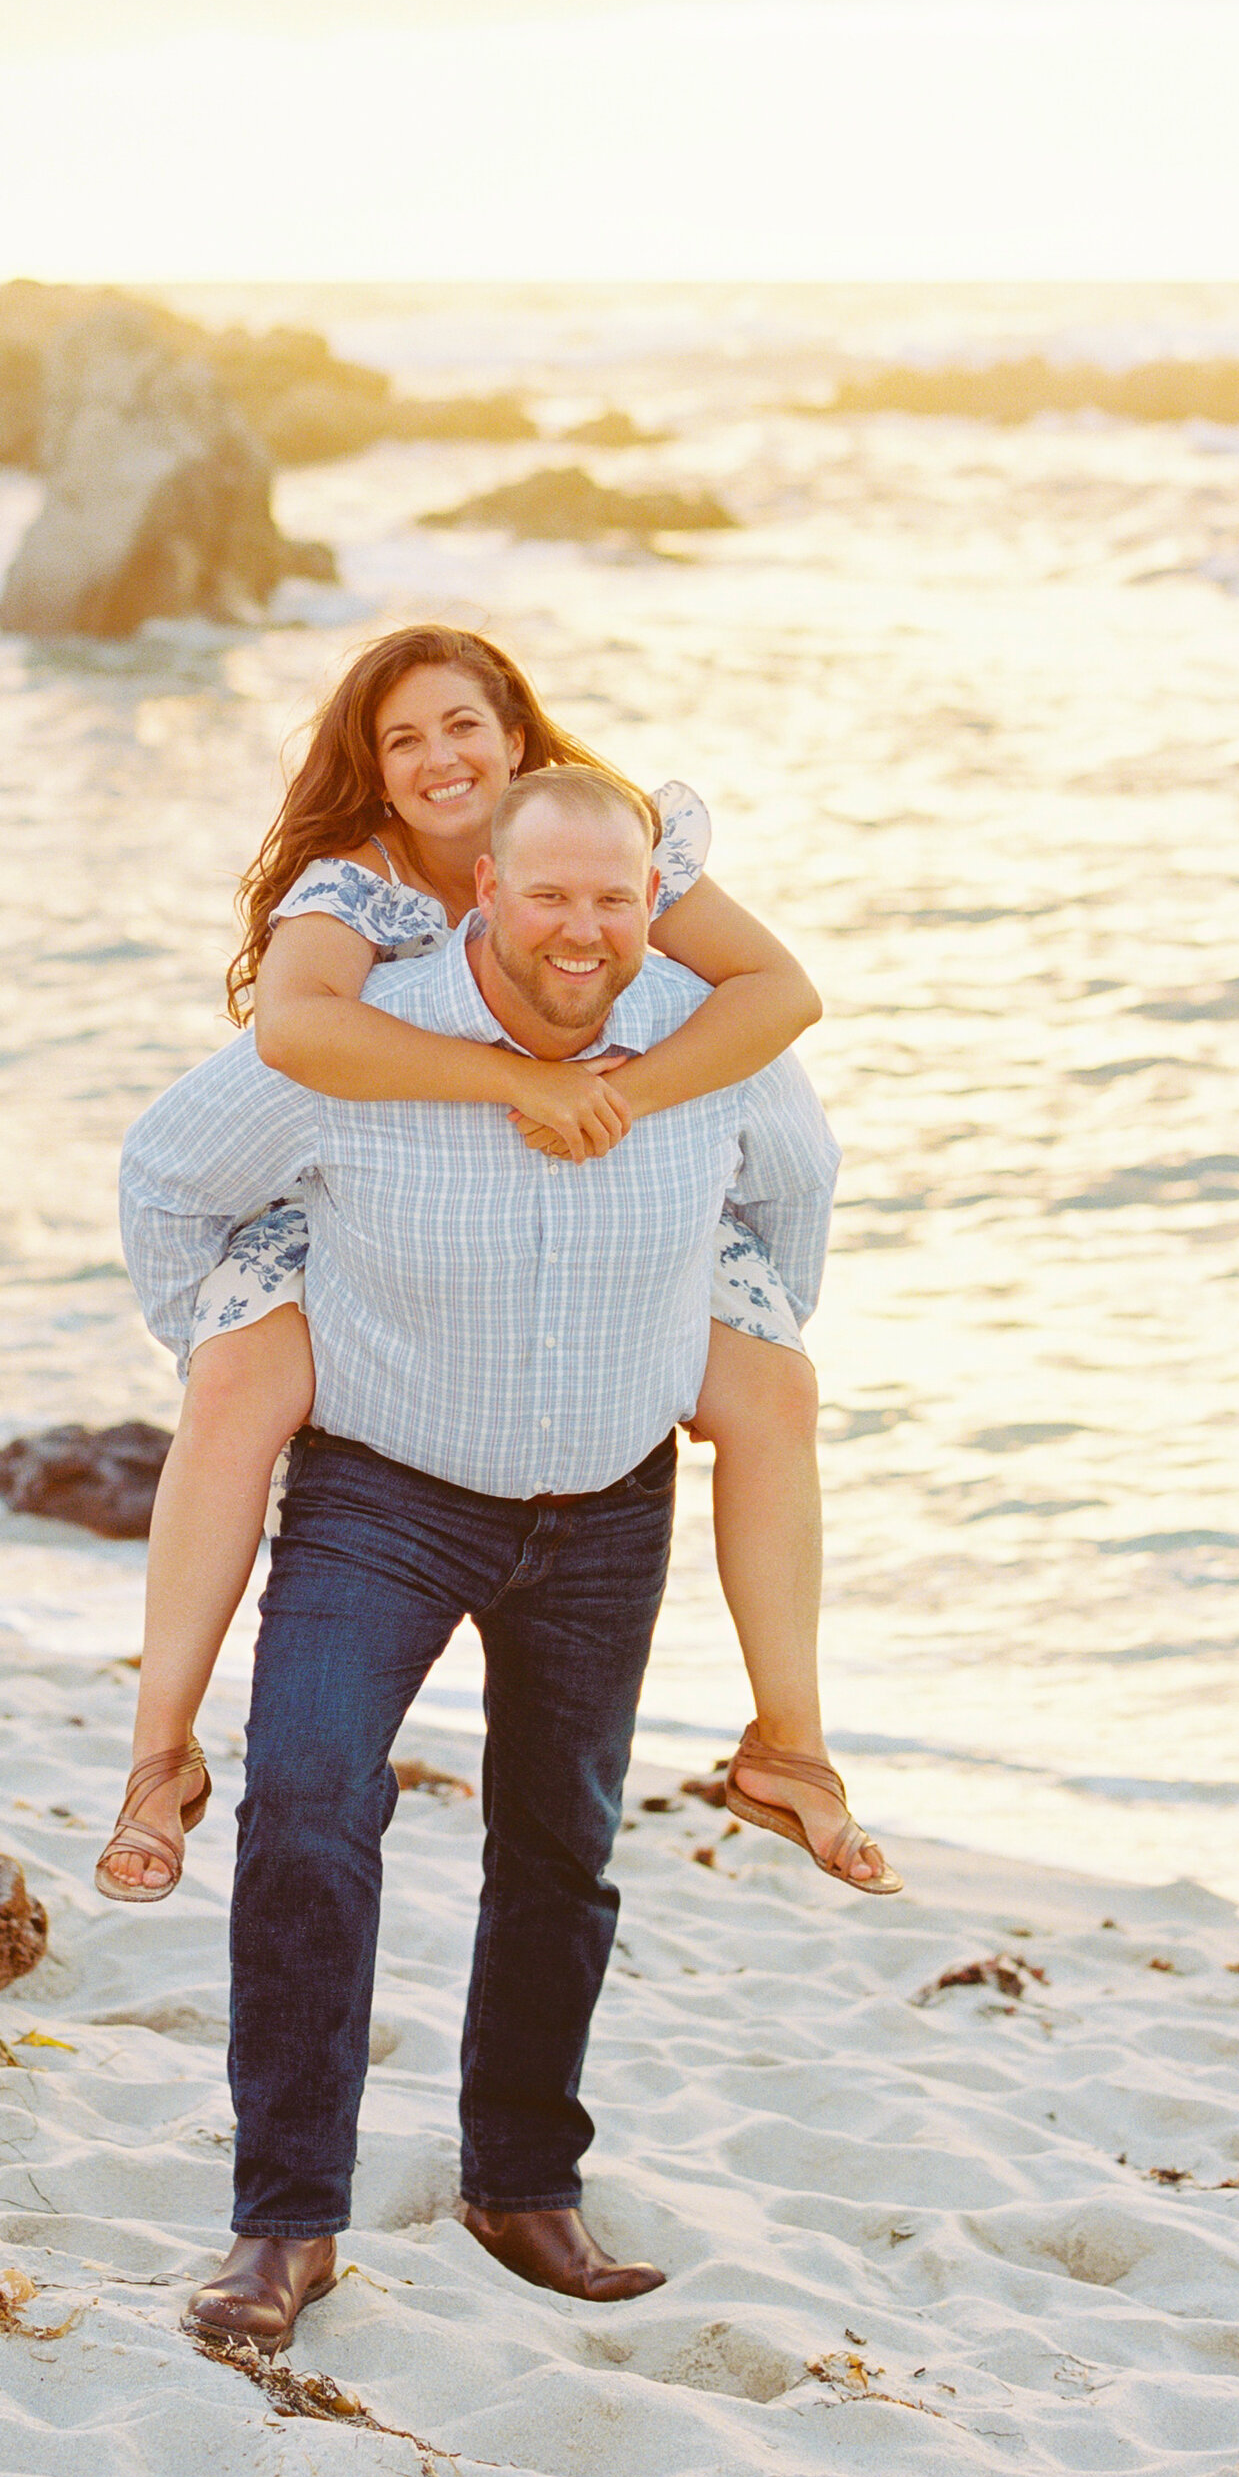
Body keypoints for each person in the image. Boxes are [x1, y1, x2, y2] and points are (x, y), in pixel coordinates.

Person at [119, 766, 851, 2350]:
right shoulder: (370, 1034)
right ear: (483, 896)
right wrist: (253, 1335)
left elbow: (796, 1192)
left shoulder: (704, 1038)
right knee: (309, 1807)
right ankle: (283, 2225)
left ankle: (523, 2187)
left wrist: (708, 1351)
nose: (584, 931)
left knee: (561, 1848)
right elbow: (170, 1173)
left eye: (615, 898)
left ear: (650, 900)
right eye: (549, 897)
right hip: (386, 1495)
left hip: (607, 1503)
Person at [94, 623, 895, 1906]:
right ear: (375, 771)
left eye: (462, 724)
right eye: (401, 740)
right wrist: (518, 1082)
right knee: (239, 1387)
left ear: (516, 734)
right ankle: (157, 1759)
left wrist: (616, 1102)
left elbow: (779, 996)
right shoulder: (352, 884)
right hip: (361, 1194)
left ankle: (789, 1748)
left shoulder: (601, 845)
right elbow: (296, 1036)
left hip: (614, 1192)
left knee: (773, 1390)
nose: (439, 758)